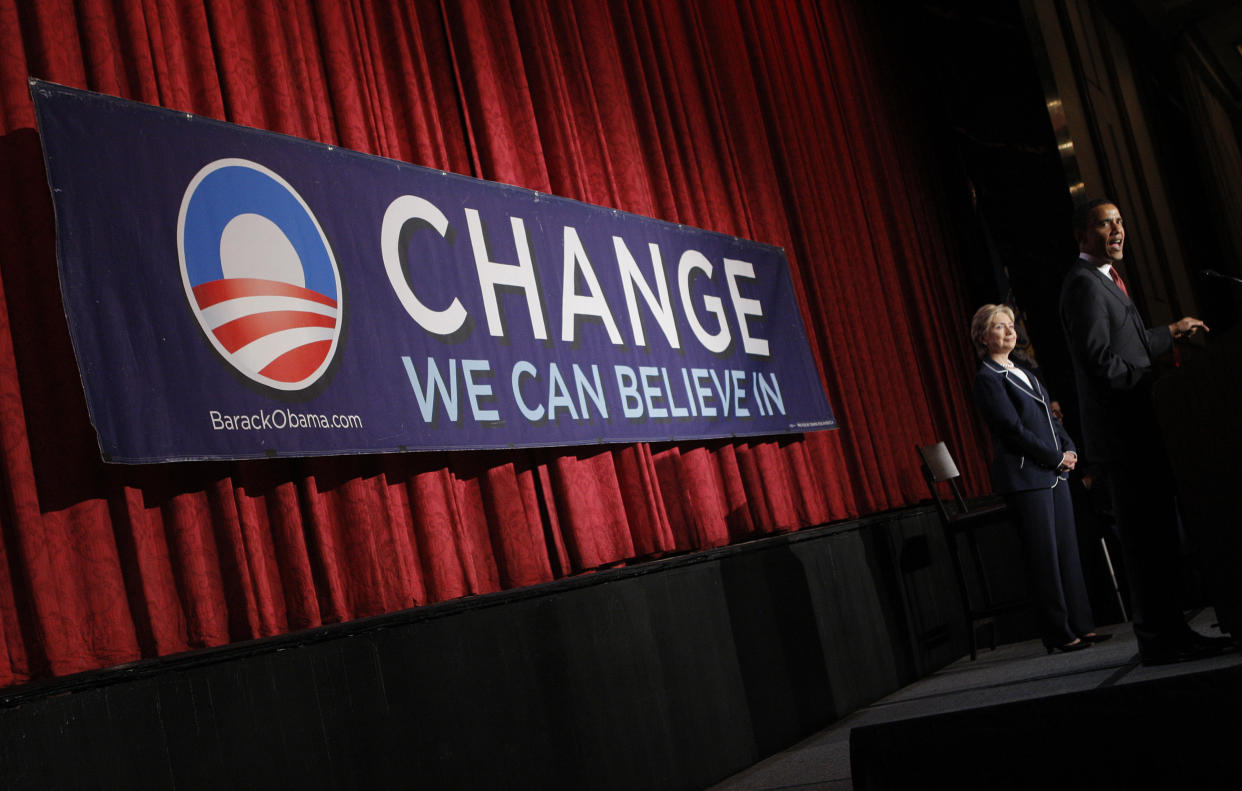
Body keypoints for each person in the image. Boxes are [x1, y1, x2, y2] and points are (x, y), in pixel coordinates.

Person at [1058, 197, 1229, 665]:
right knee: (1146, 546)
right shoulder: (1083, 285)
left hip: (1140, 433)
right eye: (1103, 224)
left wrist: (1167, 333)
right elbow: (1102, 363)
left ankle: (1174, 633)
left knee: (1159, 542)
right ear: (1081, 236)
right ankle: (1159, 639)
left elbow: (1127, 344)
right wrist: (1156, 371)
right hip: (1122, 437)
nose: (1116, 230)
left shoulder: (1107, 280)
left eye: (1119, 222)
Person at [970, 304, 1104, 653]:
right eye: (1000, 327)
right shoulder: (987, 379)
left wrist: (1068, 448)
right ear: (983, 337)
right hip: (1026, 476)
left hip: (1053, 472)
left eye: (1011, 325)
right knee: (1044, 558)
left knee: (1067, 553)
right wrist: (1055, 457)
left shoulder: (1026, 371)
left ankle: (1083, 625)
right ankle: (1060, 633)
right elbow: (1012, 431)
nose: (1010, 331)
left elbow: (1051, 418)